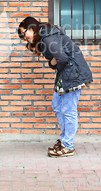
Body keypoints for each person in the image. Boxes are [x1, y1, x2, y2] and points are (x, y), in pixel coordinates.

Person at [17, 16, 93, 158]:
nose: (23, 39)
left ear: (32, 29)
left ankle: (68, 145)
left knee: (68, 109)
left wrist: (53, 63)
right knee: (57, 106)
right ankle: (65, 139)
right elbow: (57, 59)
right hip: (66, 73)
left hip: (73, 74)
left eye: (23, 34)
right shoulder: (46, 36)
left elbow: (62, 59)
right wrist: (53, 63)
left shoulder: (48, 37)